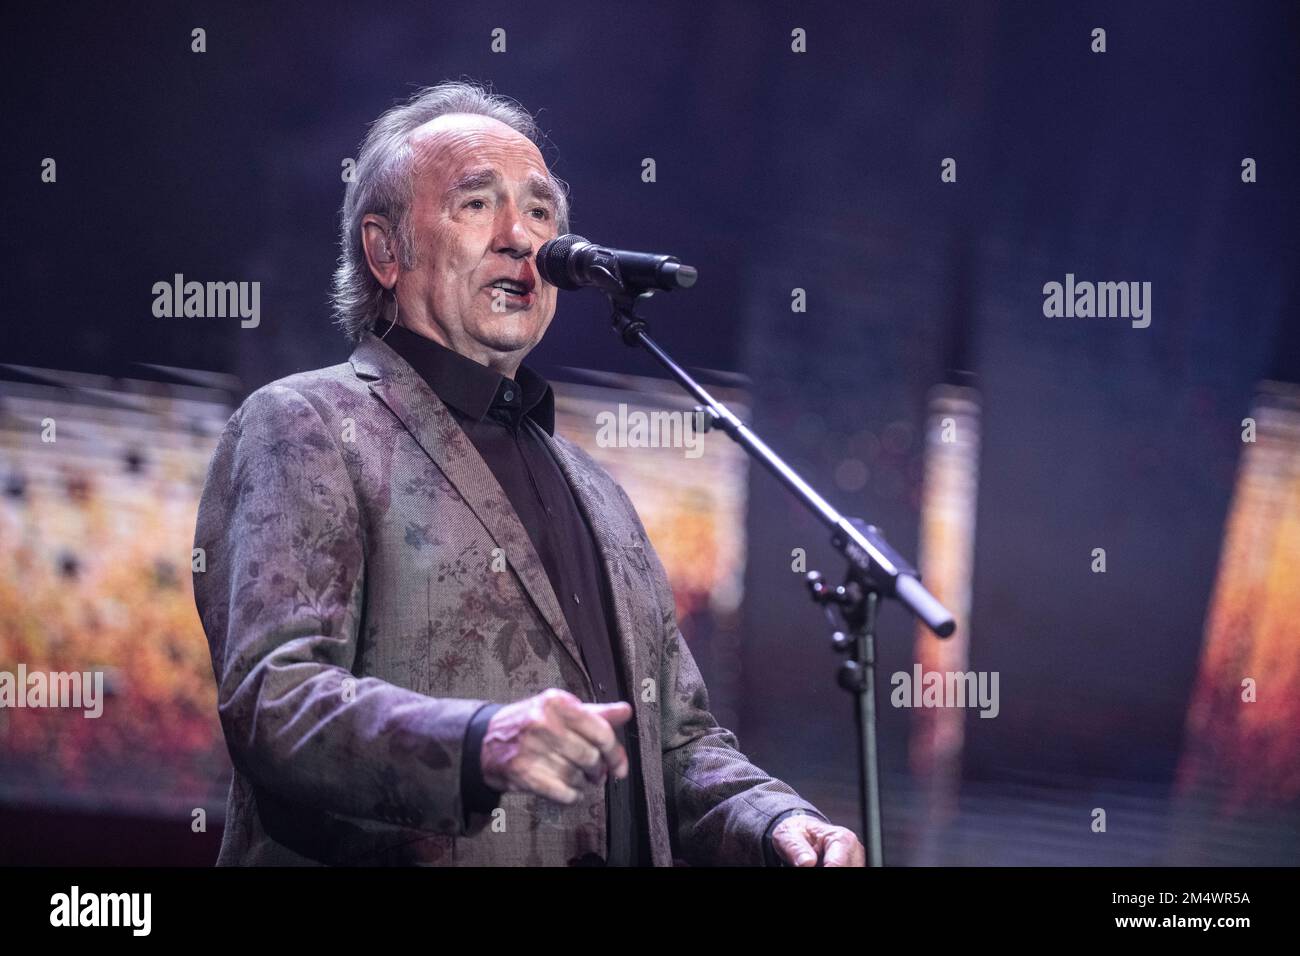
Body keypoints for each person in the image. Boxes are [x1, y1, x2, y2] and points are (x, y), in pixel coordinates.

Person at [193, 81, 864, 867]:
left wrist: (774, 820)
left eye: (542, 212)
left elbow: (675, 740)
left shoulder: (596, 491)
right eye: (477, 204)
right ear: (385, 250)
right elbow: (276, 701)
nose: (523, 237)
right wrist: (478, 742)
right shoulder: (307, 423)